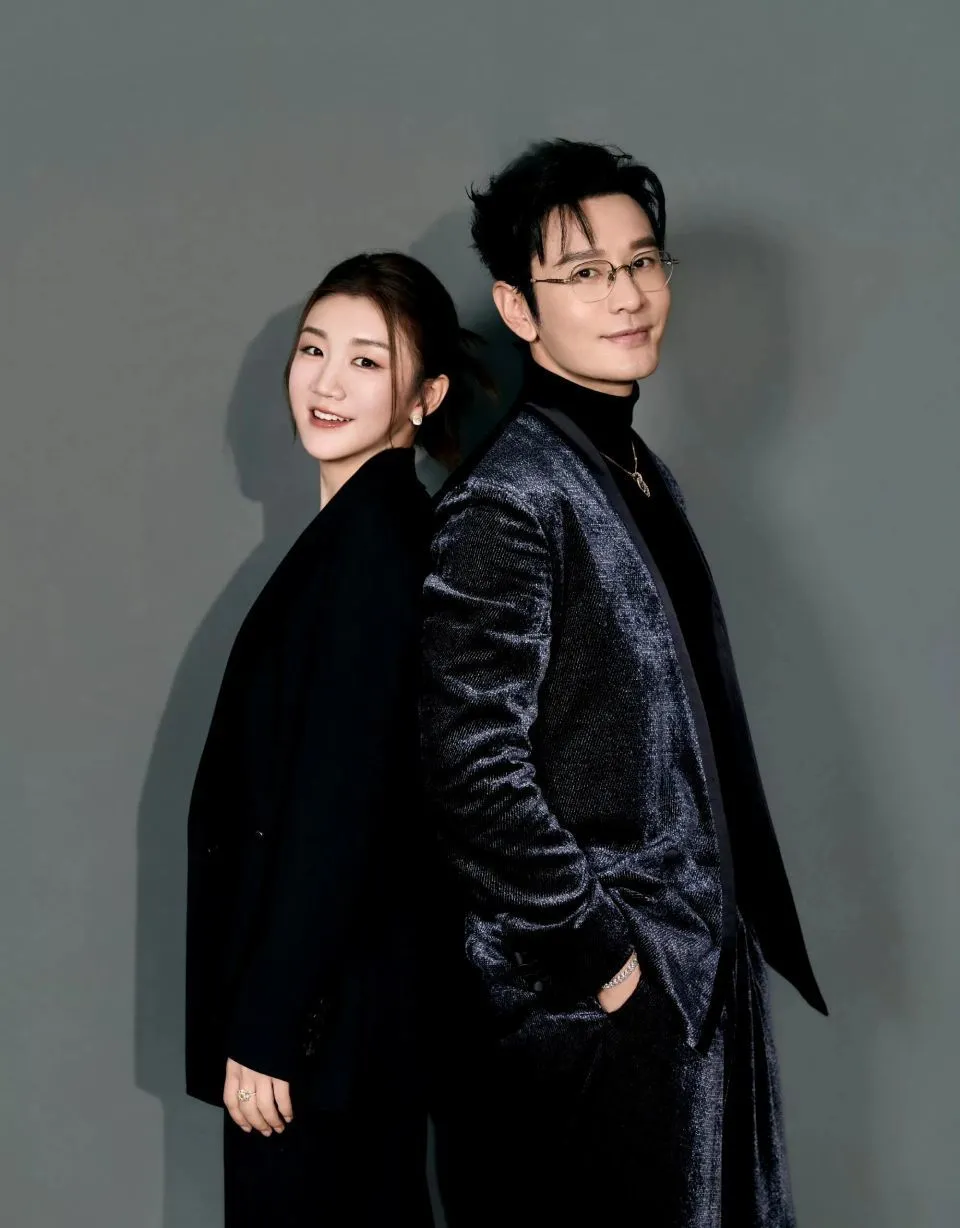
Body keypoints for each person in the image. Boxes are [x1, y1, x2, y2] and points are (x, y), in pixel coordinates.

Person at [420, 139, 827, 1227]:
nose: (628, 294)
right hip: (593, 1008)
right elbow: (469, 768)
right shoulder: (507, 500)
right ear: (518, 307)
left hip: (690, 974)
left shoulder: (635, 471)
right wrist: (606, 957)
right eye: (586, 272)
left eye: (642, 262)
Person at [185, 251, 487, 1226]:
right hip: (343, 1022)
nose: (326, 381)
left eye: (367, 360)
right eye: (314, 349)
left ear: (426, 395)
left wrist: (269, 1023)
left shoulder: (378, 549)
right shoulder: (360, 535)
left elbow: (341, 808)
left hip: (327, 1031)